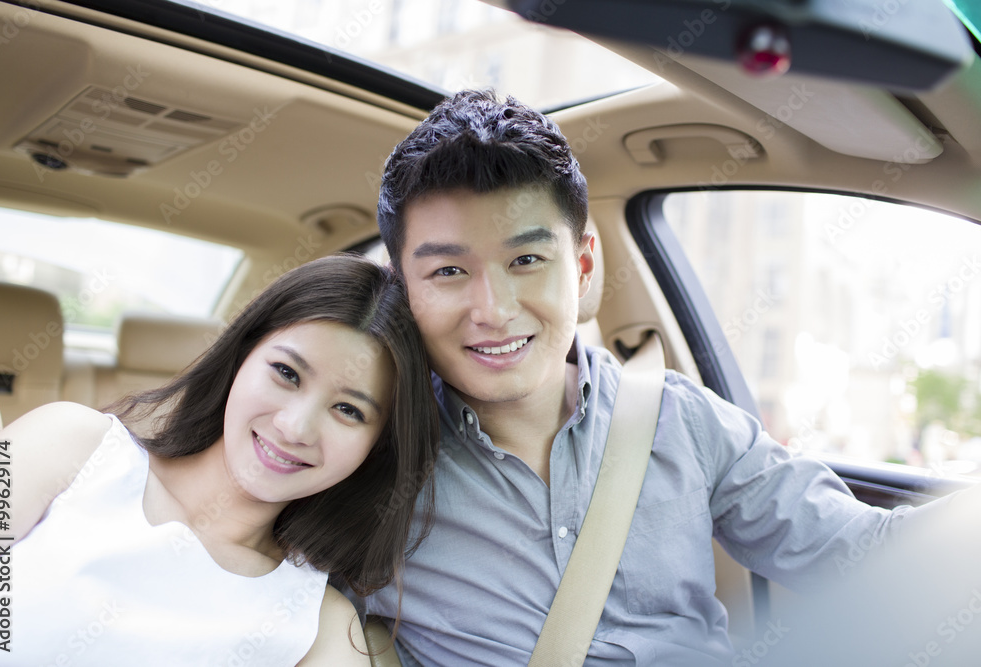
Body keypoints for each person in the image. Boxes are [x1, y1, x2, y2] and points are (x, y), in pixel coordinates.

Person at [356, 89, 977, 666]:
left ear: (582, 265)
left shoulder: (679, 417)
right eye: (447, 273)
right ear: (402, 285)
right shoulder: (363, 451)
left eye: (526, 260)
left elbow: (859, 552)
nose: (492, 310)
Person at [0, 255, 438, 665]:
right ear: (241, 355)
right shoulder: (68, 443)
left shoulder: (320, 628)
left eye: (348, 410)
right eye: (286, 373)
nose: (294, 427)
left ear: (376, 447)